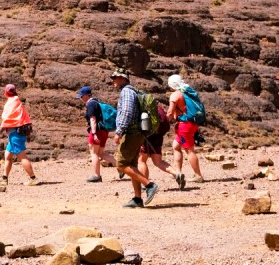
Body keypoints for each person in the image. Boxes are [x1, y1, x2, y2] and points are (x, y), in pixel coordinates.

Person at [110, 69, 158, 208]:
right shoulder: (133, 91)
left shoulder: (126, 92)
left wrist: (119, 131)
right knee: (132, 165)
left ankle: (150, 185)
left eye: (115, 77)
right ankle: (138, 199)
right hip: (137, 133)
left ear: (122, 78)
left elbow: (126, 112)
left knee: (121, 164)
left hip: (131, 133)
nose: (112, 79)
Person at [0, 84, 39, 186]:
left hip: (15, 133)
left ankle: (33, 178)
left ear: (6, 92)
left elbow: (6, 120)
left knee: (22, 156)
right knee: (8, 156)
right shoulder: (18, 102)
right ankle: (4, 178)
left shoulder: (10, 103)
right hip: (18, 132)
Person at [168, 74, 204, 186]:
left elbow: (170, 112)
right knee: (176, 146)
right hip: (191, 123)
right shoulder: (186, 92)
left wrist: (162, 121)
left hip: (185, 125)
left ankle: (198, 176)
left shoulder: (175, 95)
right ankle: (178, 172)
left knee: (189, 150)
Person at [78, 86, 117, 183]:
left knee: (94, 153)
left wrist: (94, 133)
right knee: (100, 153)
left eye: (82, 96)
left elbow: (93, 119)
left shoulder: (91, 104)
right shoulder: (97, 102)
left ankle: (97, 175)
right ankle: (121, 166)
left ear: (87, 95)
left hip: (97, 131)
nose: (80, 98)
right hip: (104, 131)